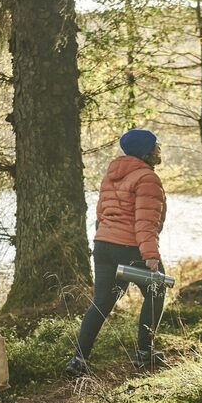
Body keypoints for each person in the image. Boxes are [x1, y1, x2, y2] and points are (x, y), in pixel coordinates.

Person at [67, 128, 167, 376]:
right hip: (130, 246)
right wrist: (151, 256)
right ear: (146, 151)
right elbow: (145, 221)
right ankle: (144, 353)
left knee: (101, 301)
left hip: (103, 246)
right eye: (155, 145)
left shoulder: (111, 175)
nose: (159, 149)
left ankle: (79, 360)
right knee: (157, 290)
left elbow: (102, 214)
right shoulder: (147, 178)